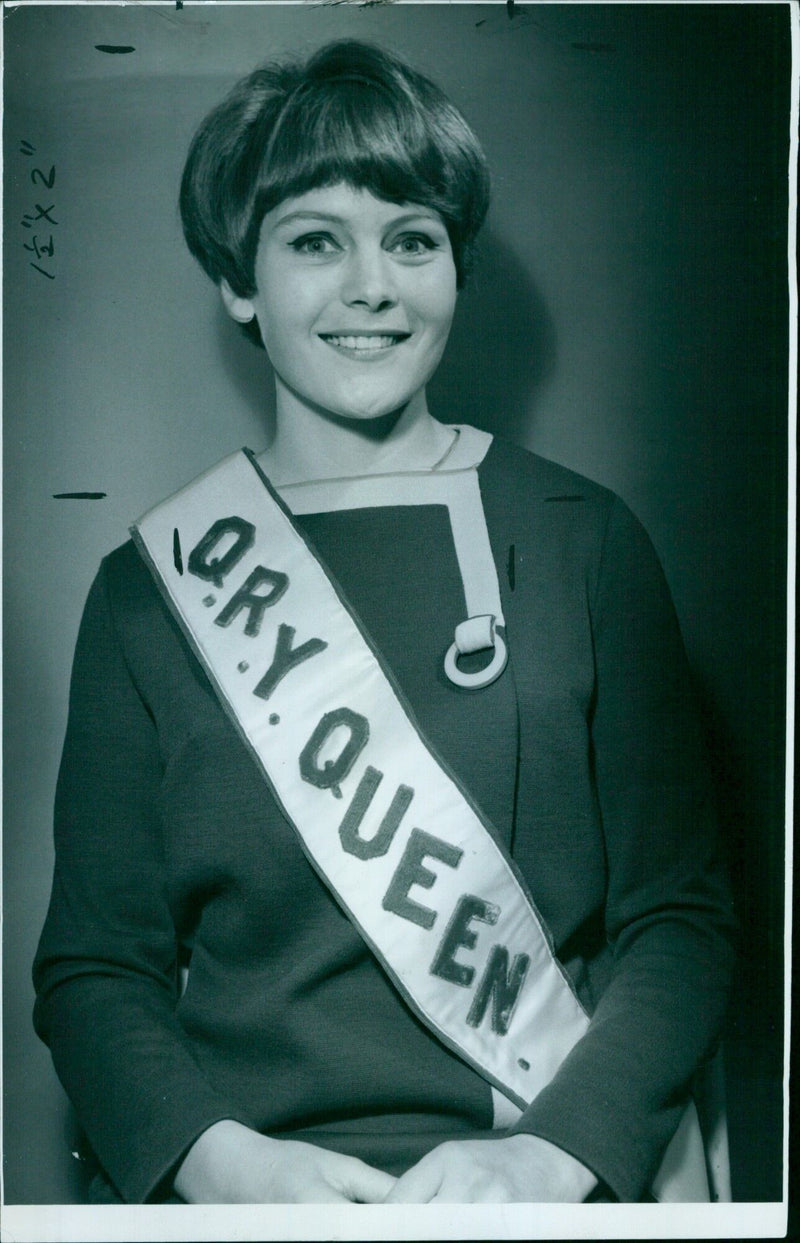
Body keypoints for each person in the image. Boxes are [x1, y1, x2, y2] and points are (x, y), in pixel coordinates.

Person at [33, 39, 736, 1205]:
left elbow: (681, 920)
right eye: (315, 241)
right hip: (253, 1195)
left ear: (454, 269)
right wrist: (224, 1166)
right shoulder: (148, 588)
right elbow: (96, 967)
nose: (372, 285)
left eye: (411, 239)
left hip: (542, 1181)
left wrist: (546, 1155)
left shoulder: (580, 538)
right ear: (238, 282)